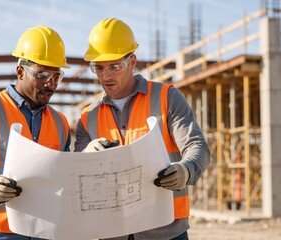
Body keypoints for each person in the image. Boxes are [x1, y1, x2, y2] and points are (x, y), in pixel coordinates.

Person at [75, 18, 210, 240]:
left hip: (165, 231)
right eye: (98, 68)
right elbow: (78, 180)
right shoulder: (87, 118)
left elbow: (197, 146)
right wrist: (84, 159)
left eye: (114, 66)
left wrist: (185, 170)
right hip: (112, 232)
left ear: (132, 61)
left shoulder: (167, 98)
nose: (106, 76)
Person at [0, 26, 71, 240]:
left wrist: (86, 158)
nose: (50, 84)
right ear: (20, 72)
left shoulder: (60, 123)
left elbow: (65, 176)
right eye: (42, 74)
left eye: (56, 76)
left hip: (44, 232)